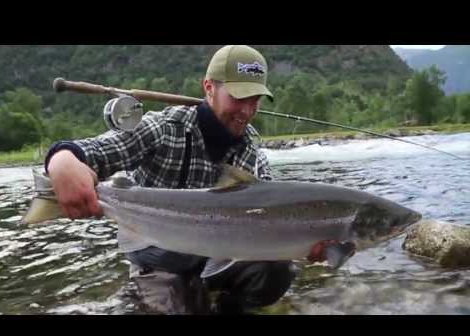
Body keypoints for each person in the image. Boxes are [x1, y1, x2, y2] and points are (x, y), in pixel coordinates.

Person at [45, 45, 306, 314]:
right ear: (209, 87)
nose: (247, 111)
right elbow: (96, 151)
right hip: (158, 256)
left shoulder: (252, 151)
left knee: (279, 267)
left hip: (219, 254)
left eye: (255, 100)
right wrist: (63, 159)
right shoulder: (164, 127)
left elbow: (271, 218)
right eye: (239, 97)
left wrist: (307, 242)